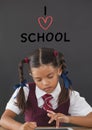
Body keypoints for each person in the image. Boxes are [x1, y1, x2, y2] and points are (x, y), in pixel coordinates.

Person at [0, 47, 92, 130]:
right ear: (32, 76)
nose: (45, 83)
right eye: (38, 79)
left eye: (50, 76)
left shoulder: (69, 95)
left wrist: (68, 119)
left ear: (59, 70)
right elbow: (3, 120)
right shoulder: (25, 90)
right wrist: (20, 127)